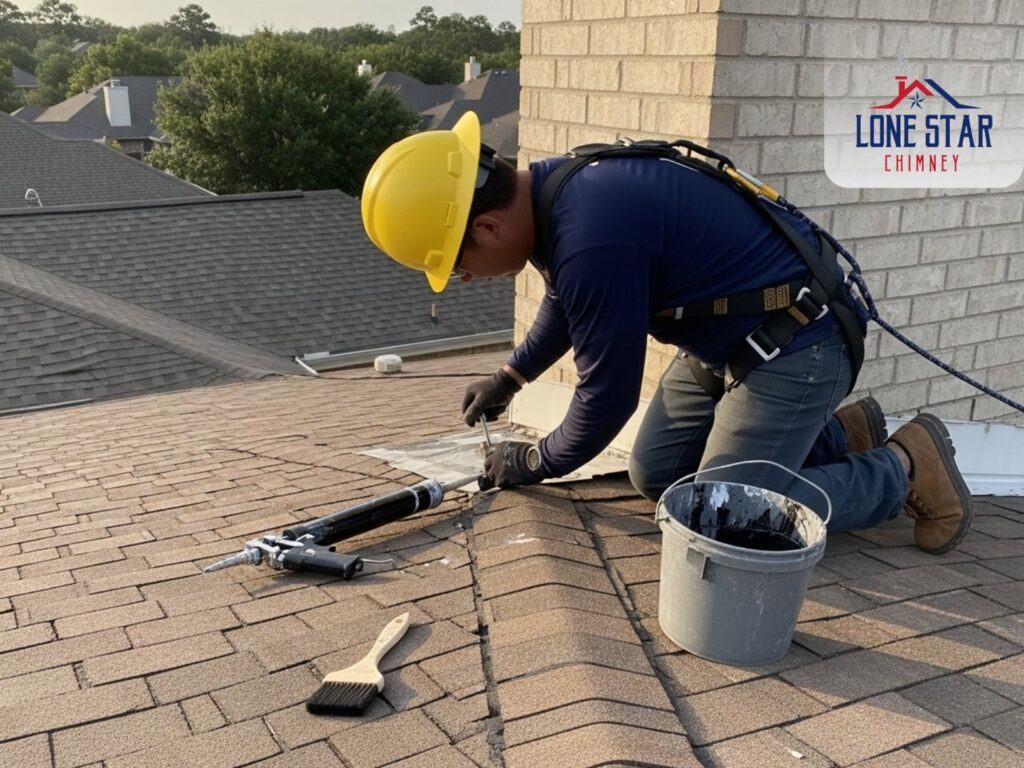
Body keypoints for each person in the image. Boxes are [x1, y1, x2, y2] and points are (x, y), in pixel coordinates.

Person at [361, 111, 973, 554]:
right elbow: (568, 301)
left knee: (723, 516)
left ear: (489, 228)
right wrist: (511, 374)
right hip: (733, 342)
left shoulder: (591, 236)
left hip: (799, 344)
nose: (464, 280)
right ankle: (841, 435)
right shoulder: (557, 196)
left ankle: (904, 469)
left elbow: (606, 400)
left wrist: (533, 460)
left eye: (457, 265)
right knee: (659, 477)